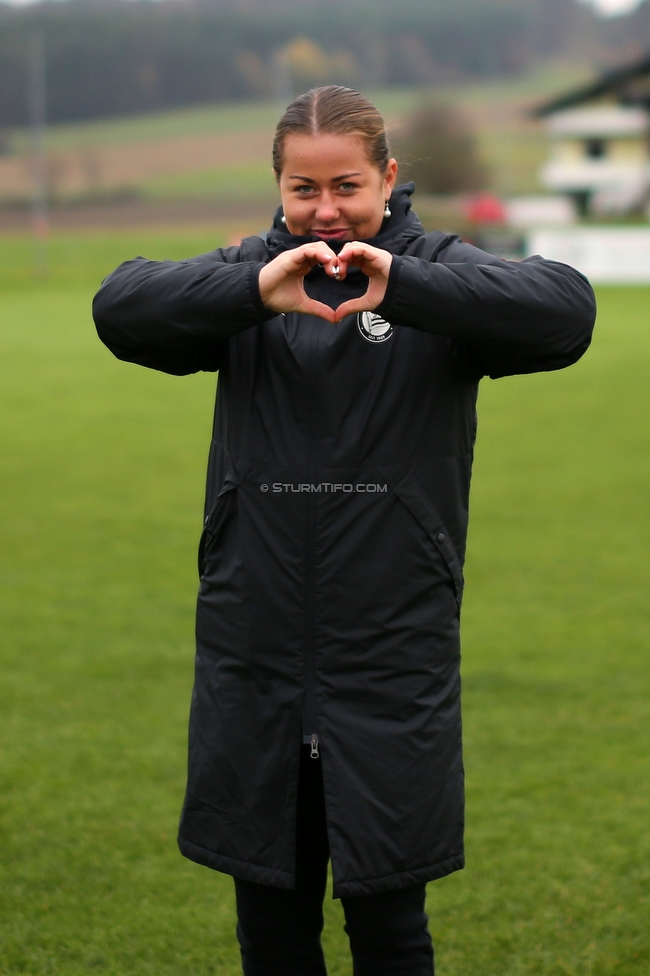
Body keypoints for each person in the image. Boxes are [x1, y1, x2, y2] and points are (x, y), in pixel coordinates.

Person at [92, 86, 596, 976]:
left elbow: (565, 313)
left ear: (390, 177)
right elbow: (121, 307)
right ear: (279, 187)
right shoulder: (252, 277)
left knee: (391, 933)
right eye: (303, 189)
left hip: (391, 662)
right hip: (255, 660)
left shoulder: (436, 275)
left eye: (347, 186)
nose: (326, 211)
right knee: (273, 934)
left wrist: (402, 285)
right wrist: (253, 291)